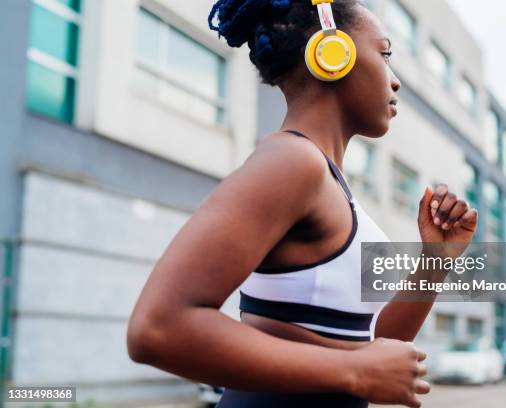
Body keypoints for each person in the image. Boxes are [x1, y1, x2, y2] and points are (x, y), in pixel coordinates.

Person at [126, 1, 479, 407]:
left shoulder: (331, 184)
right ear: (333, 55)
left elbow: (376, 348)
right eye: (384, 55)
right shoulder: (292, 162)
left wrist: (436, 258)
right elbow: (158, 328)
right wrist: (356, 371)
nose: (394, 80)